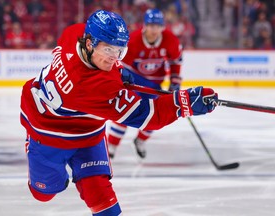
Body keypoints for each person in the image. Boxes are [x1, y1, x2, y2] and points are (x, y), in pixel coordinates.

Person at [20, 9, 218, 216]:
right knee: (43, 194)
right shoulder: (94, 87)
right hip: (47, 133)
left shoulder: (74, 32)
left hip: (88, 133)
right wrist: (186, 102)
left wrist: (118, 72)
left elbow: (84, 56)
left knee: (103, 201)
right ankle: (31, 144)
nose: (114, 58)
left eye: (119, 51)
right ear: (89, 44)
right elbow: (150, 116)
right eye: (108, 50)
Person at [107, 8, 183, 159]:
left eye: (157, 26)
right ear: (145, 26)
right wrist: (124, 79)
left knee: (155, 116)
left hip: (154, 85)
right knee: (124, 111)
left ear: (162, 27)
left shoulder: (171, 40)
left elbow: (176, 61)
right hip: (135, 82)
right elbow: (122, 65)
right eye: (150, 25)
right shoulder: (134, 40)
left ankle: (140, 141)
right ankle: (112, 146)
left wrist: (175, 81)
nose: (153, 30)